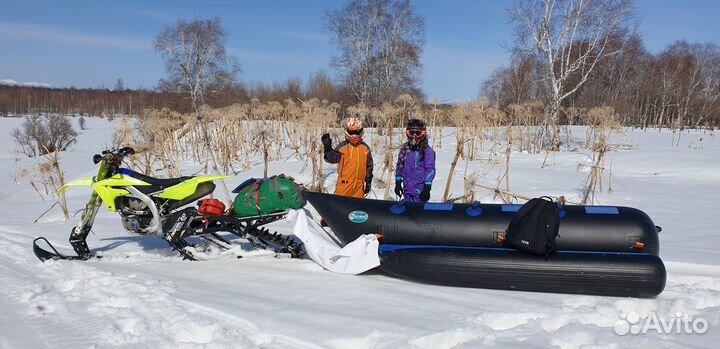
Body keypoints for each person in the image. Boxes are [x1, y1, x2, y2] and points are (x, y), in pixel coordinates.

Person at [322, 117, 374, 198]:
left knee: (357, 209)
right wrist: (328, 148)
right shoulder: (343, 147)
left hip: (359, 186)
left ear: (361, 131)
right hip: (344, 185)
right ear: (347, 131)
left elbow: (369, 165)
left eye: (357, 132)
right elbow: (330, 158)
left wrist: (368, 181)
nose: (355, 135)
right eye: (352, 132)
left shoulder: (365, 148)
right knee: (339, 206)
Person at [395, 118, 436, 202]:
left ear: (423, 134)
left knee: (417, 212)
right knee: (407, 211)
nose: (414, 136)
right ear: (407, 133)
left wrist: (427, 187)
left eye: (418, 133)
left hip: (420, 190)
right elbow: (400, 166)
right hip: (407, 188)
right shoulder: (405, 148)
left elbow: (430, 169)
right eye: (411, 133)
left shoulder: (427, 151)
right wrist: (398, 182)